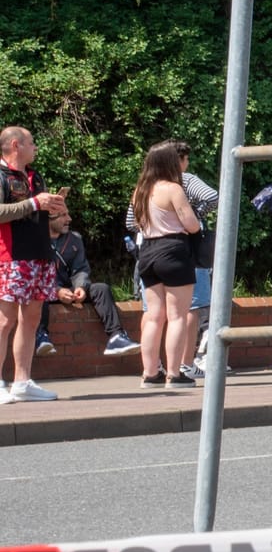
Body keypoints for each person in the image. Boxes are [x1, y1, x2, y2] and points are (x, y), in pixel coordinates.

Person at [124, 140, 218, 378]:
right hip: (174, 250)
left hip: (147, 252)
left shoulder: (140, 190)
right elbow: (192, 225)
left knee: (153, 316)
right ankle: (175, 373)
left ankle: (150, 372)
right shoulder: (173, 189)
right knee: (177, 315)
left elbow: (132, 224)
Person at [0, 126, 67, 402]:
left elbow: (34, 210)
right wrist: (34, 203)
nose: (35, 147)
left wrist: (52, 208)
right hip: (10, 257)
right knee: (4, 321)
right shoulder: (1, 175)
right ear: (16, 145)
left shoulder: (33, 175)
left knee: (31, 319)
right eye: (32, 143)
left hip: (39, 255)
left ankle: (22, 381)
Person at [37, 212, 138, 357]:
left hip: (70, 289)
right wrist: (56, 290)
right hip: (46, 289)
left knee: (101, 289)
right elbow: (35, 275)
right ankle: (41, 336)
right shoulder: (35, 241)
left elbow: (81, 268)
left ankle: (117, 336)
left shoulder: (74, 239)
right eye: (63, 216)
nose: (69, 219)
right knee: (38, 296)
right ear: (48, 220)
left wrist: (81, 287)